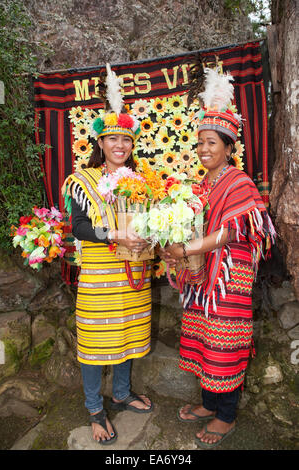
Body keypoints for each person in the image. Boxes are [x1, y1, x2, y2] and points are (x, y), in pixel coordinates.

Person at [160, 68, 276, 448]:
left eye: (211, 143)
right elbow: (188, 226)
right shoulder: (199, 186)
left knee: (224, 344)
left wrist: (189, 248)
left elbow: (238, 230)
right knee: (202, 340)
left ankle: (226, 415)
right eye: (200, 144)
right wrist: (171, 243)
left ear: (228, 146)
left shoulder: (238, 183)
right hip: (202, 280)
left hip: (228, 280)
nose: (204, 150)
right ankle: (210, 404)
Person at [62, 65, 153, 445]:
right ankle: (94, 410)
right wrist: (113, 233)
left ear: (132, 145)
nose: (120, 146)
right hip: (100, 278)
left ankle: (121, 392)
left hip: (133, 275)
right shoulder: (82, 180)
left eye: (126, 141)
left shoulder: (143, 180)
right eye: (112, 139)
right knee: (96, 344)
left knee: (127, 335)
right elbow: (78, 228)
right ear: (100, 143)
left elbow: (152, 223)